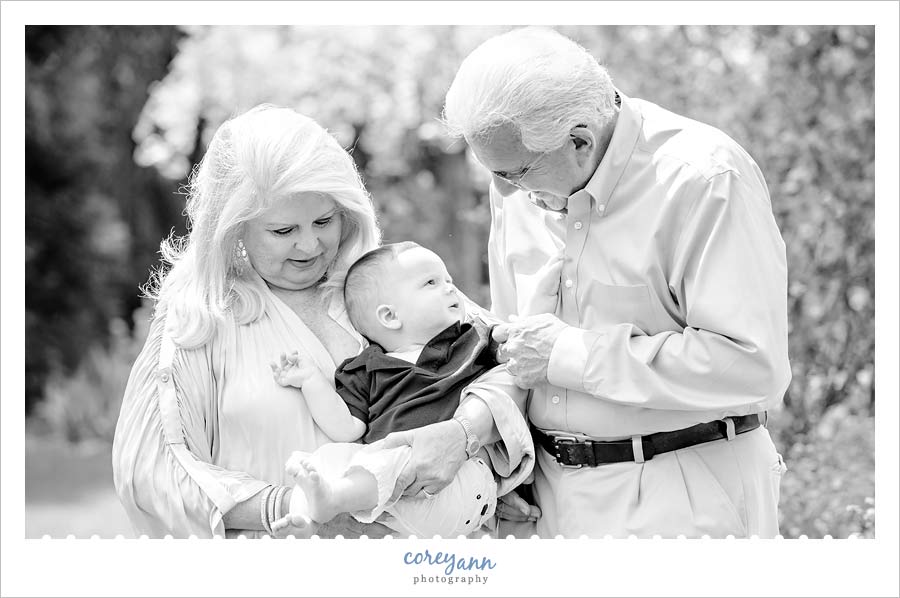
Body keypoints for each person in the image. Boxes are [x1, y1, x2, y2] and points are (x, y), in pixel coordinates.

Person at [435, 26, 791, 538]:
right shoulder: (519, 186)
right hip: (548, 504)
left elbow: (752, 367)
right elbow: (517, 350)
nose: (502, 191)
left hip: (687, 496)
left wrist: (570, 355)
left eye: (514, 173)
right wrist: (502, 471)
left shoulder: (703, 179)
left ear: (580, 140)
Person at [111, 105, 532, 538]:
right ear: (233, 225)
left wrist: (465, 443)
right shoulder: (199, 313)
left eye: (324, 221)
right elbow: (153, 472)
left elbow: (514, 363)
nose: (310, 245)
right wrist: (296, 508)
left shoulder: (381, 284)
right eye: (283, 231)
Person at [269, 242, 554, 537]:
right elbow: (346, 428)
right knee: (328, 458)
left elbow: (518, 352)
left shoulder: (473, 340)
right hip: (390, 496)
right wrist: (311, 381)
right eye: (431, 282)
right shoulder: (366, 368)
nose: (450, 288)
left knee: (393, 460)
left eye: (448, 279)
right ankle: (308, 520)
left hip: (453, 479)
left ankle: (333, 501)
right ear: (390, 317)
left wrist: (533, 310)